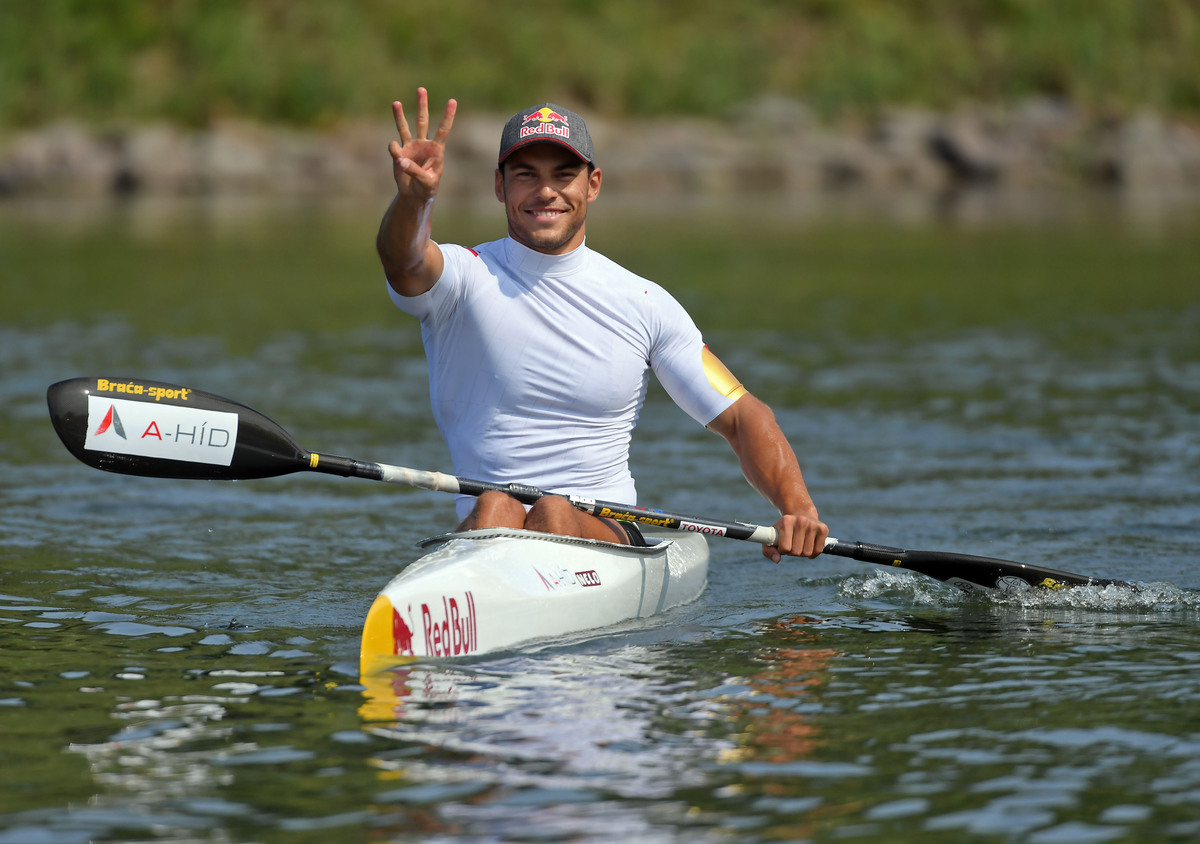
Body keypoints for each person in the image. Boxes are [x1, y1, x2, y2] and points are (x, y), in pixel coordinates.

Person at [376, 88, 827, 561]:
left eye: (563, 175)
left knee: (551, 510)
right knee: (497, 505)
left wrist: (798, 510)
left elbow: (740, 415)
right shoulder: (461, 277)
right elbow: (403, 262)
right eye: (526, 175)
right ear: (498, 187)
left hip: (607, 531)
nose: (545, 191)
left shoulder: (645, 303)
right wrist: (413, 202)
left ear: (592, 185)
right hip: (490, 528)